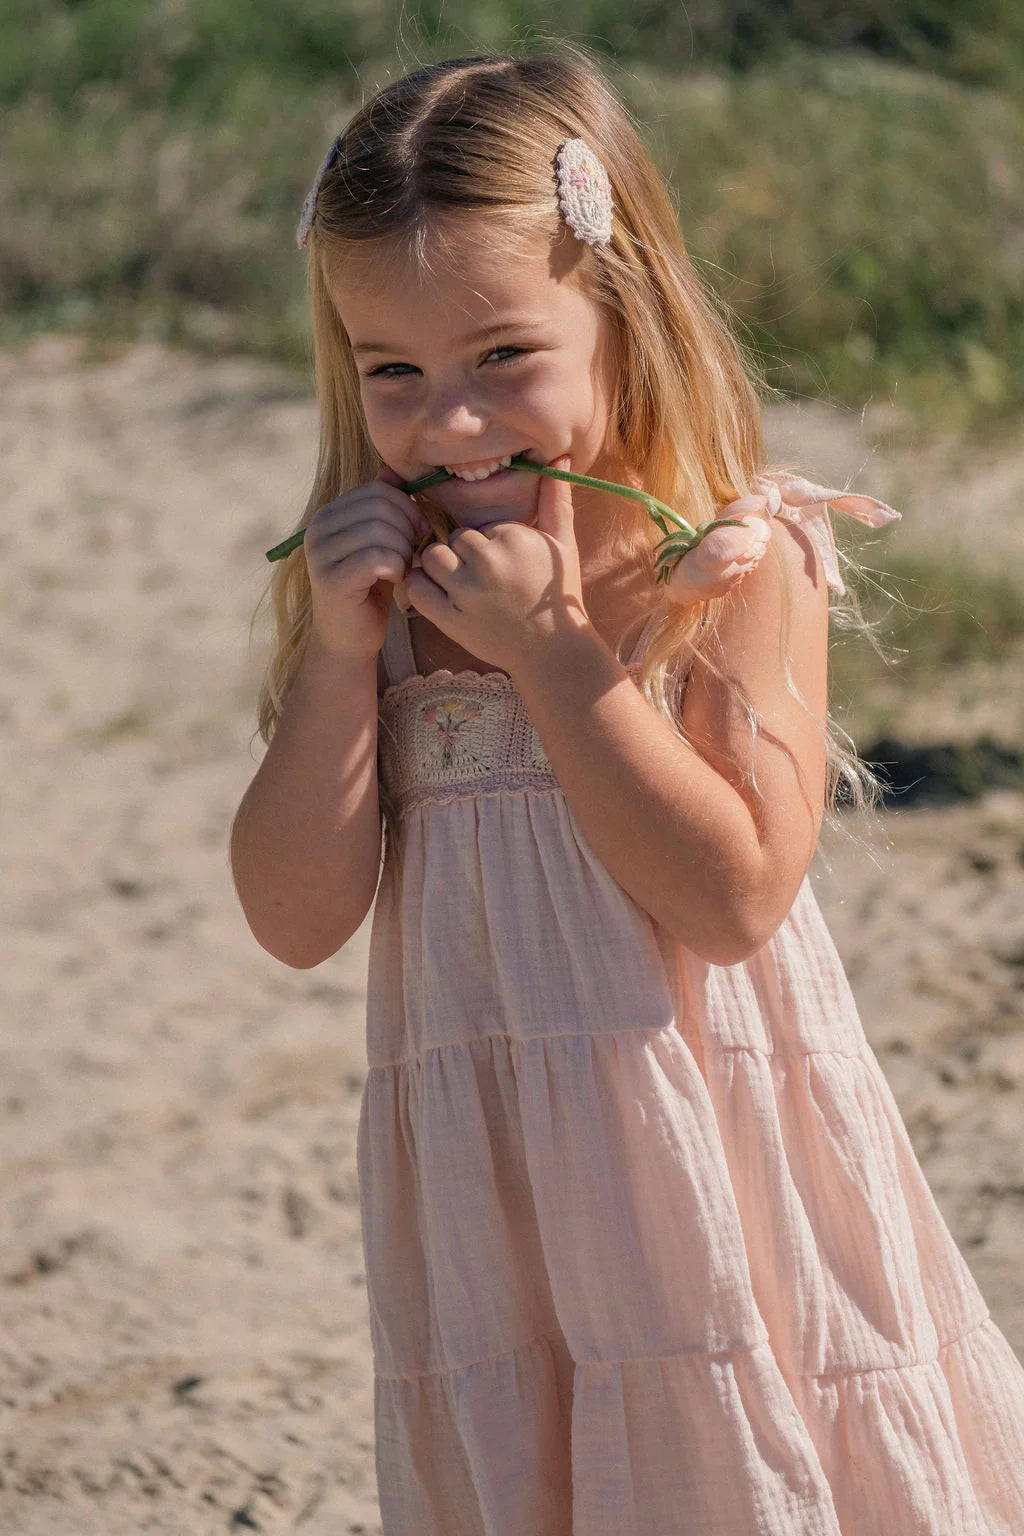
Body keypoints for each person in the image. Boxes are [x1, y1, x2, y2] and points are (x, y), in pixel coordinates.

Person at [229, 46, 1024, 1535]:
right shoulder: (385, 598)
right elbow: (293, 918)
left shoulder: (724, 563)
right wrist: (342, 664)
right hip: (499, 1185)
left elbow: (731, 897)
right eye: (392, 372)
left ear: (622, 310)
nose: (449, 424)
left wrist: (554, 655)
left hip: (708, 1154)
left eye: (501, 359)